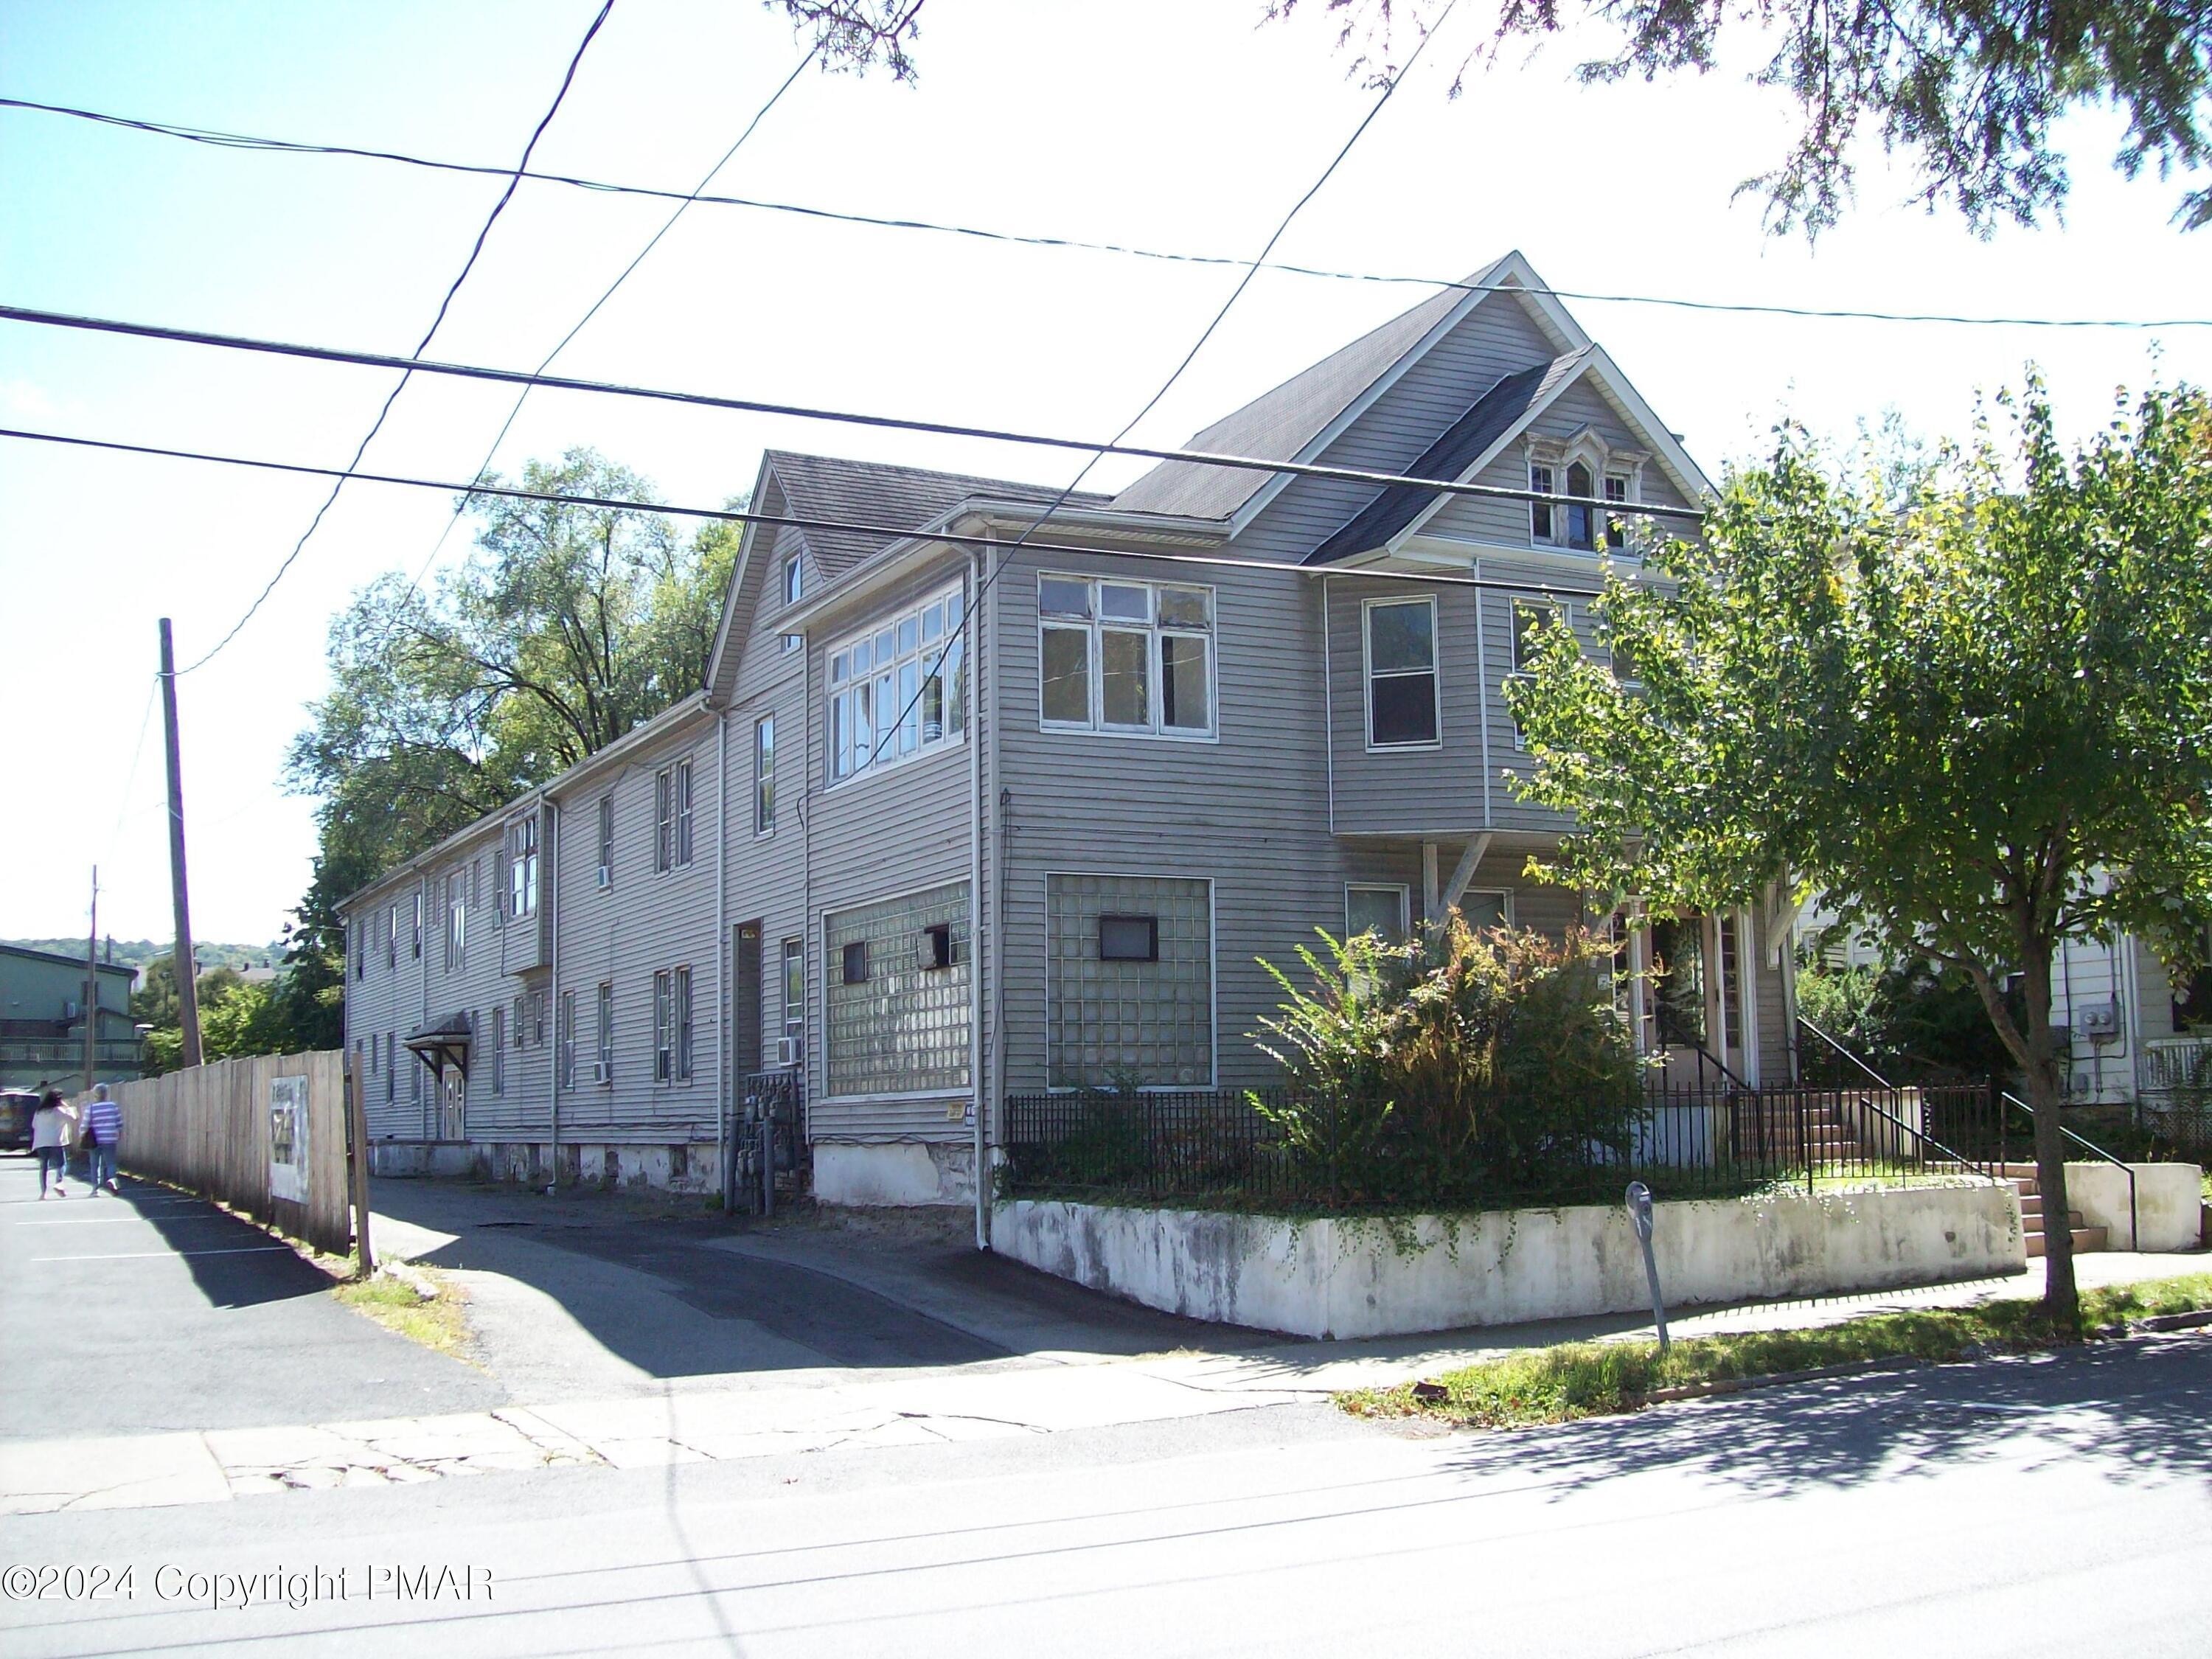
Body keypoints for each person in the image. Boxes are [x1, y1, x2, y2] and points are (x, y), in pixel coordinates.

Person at [80, 1083, 121, 1196]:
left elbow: (85, 1124)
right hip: (110, 1138)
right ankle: (112, 1179)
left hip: (94, 1140)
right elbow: (119, 1123)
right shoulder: (113, 1106)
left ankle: (95, 1189)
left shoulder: (91, 1108)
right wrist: (118, 1134)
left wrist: (82, 1135)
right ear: (106, 1094)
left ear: (95, 1095)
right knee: (111, 1162)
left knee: (95, 1164)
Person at [32, 1090, 69, 1199]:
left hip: (41, 1142)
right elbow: (73, 1118)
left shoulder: (39, 1112)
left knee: (44, 1167)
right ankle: (59, 1182)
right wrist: (66, 1106)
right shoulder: (59, 1110)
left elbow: (34, 1125)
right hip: (56, 1141)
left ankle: (43, 1193)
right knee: (62, 1164)